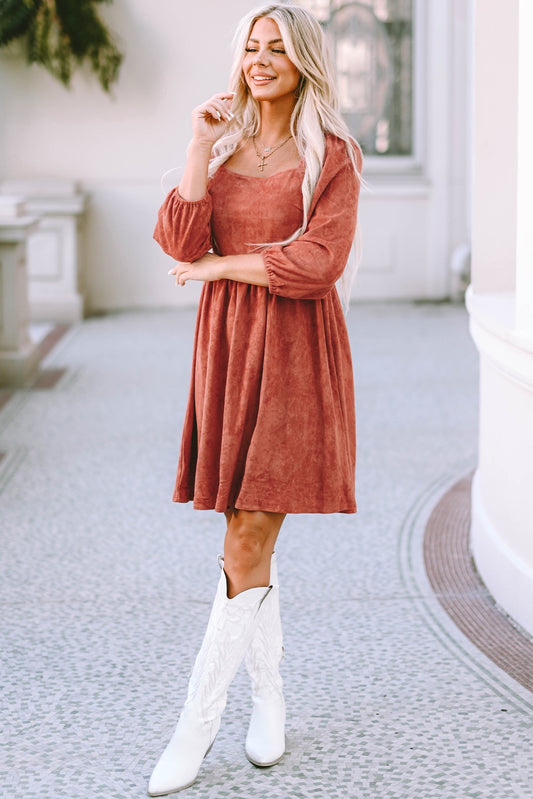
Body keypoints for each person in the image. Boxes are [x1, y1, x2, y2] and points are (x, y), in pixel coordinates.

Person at [148, 2, 362, 795]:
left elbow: (316, 263)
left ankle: (192, 730)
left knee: (246, 534)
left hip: (296, 354)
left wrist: (216, 270)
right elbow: (178, 237)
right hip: (228, 348)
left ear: (303, 60)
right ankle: (268, 698)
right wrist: (199, 145)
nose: (260, 59)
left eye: (276, 48)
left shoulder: (331, 153)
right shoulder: (228, 140)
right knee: (247, 534)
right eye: (251, 47)